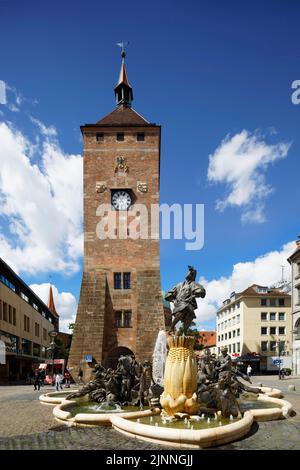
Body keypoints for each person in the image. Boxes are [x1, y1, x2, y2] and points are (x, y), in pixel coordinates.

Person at [165, 265, 206, 335]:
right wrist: (173, 300)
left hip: (188, 303)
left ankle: (184, 332)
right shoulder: (179, 285)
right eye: (189, 272)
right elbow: (167, 295)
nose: (189, 274)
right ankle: (172, 328)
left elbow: (202, 291)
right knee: (183, 308)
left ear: (193, 276)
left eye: (191, 273)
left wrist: (195, 294)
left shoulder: (193, 284)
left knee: (189, 314)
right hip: (180, 304)